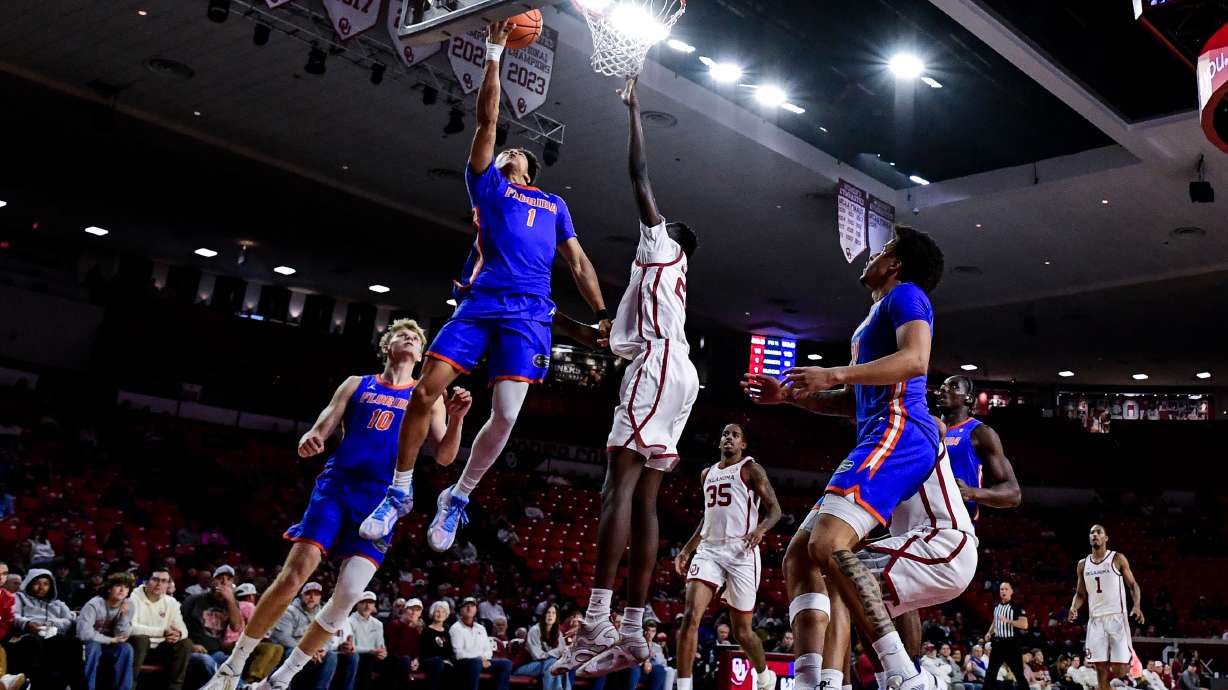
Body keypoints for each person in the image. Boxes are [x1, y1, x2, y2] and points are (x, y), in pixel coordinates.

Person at [367, 17, 611, 553]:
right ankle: (400, 490)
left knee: (506, 413)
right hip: (481, 304)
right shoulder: (488, 188)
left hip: (528, 314)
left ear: (531, 171)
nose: (510, 152)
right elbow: (487, 121)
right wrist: (495, 53)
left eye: (518, 155)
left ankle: (459, 496)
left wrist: (601, 314)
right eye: (504, 153)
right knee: (425, 392)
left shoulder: (553, 205)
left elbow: (579, 263)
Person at [203, 319, 471, 690]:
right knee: (295, 576)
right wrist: (310, 438)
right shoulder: (356, 384)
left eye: (416, 337)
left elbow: (444, 457)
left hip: (382, 501)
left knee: (347, 596)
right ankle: (231, 669)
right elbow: (321, 427)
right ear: (387, 345)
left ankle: (282, 679)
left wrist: (456, 419)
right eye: (402, 334)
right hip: (337, 487)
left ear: (422, 352)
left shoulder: (428, 396)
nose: (409, 337)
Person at [742, 224, 944, 690]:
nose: (873, 255)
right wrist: (789, 398)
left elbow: (916, 360)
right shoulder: (875, 315)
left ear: (894, 263)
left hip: (901, 429)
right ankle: (813, 680)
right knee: (799, 555)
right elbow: (851, 401)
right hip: (875, 432)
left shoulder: (907, 295)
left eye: (885, 249)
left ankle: (902, 674)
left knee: (827, 544)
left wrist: (833, 373)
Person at [553, 75, 700, 681]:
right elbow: (599, 339)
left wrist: (635, 109)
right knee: (643, 496)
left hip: (661, 366)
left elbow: (640, 177)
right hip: (676, 371)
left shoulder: (662, 246)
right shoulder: (657, 289)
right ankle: (635, 629)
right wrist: (539, 310)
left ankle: (596, 620)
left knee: (617, 488)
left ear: (672, 240)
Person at [673, 424, 781, 690]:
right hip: (709, 550)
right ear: (719, 442)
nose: (728, 438)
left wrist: (760, 530)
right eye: (724, 434)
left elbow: (775, 510)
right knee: (690, 616)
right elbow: (707, 519)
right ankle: (683, 685)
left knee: (742, 632)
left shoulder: (751, 469)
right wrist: (687, 549)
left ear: (743, 445)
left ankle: (764, 673)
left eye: (735, 435)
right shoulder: (706, 474)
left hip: (741, 551)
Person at [1067, 525, 1144, 690]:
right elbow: (1080, 594)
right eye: (1091, 532)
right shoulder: (1082, 564)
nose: (1094, 535)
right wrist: (1074, 607)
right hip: (1096, 620)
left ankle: (1131, 657)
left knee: (1119, 670)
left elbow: (1133, 585)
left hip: (1117, 617)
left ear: (1106, 538)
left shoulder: (1117, 558)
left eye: (1098, 532)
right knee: (1100, 672)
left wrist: (1137, 606)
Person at [8, 568, 82, 690]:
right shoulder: (18, 597)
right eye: (37, 583)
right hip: (25, 634)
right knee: (33, 642)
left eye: (46, 584)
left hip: (52, 634)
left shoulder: (58, 603)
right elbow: (13, 615)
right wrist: (28, 623)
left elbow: (69, 620)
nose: (42, 587)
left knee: (74, 643)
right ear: (29, 583)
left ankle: (74, 686)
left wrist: (50, 624)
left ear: (51, 586)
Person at [129, 567, 194, 690]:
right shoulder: (133, 598)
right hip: (137, 648)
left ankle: (174, 688)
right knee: (141, 639)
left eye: (164, 581)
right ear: (145, 581)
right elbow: (130, 628)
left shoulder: (171, 602)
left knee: (186, 643)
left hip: (160, 649)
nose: (159, 584)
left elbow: (183, 629)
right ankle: (130, 686)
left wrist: (177, 635)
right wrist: (162, 632)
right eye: (155, 579)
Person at [77, 572, 136, 690]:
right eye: (118, 586)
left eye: (126, 587)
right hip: (87, 645)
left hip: (109, 646)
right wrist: (110, 639)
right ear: (109, 588)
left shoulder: (129, 605)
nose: (122, 590)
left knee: (126, 648)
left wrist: (124, 616)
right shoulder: (94, 604)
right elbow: (83, 633)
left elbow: (122, 636)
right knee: (94, 646)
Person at [182, 565, 244, 670]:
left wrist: (231, 600)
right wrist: (190, 645)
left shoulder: (232, 604)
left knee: (233, 664)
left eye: (228, 579)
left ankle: (241, 686)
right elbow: (177, 625)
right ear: (212, 581)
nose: (224, 582)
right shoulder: (194, 600)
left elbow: (236, 627)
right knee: (206, 661)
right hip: (193, 650)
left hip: (216, 653)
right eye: (220, 578)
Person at [450, 597, 511, 690]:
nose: (469, 609)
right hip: (463, 663)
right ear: (461, 610)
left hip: (481, 661)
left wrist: (484, 658)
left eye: (472, 606)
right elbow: (459, 654)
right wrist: (480, 659)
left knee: (506, 663)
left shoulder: (481, 628)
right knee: (476, 662)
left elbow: (488, 650)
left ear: (476, 610)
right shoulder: (455, 628)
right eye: (466, 606)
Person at [985, 582, 1028, 690]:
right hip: (998, 644)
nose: (1003, 591)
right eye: (1001, 589)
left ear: (1011, 591)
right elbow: (995, 622)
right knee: (991, 673)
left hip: (1011, 645)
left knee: (1019, 674)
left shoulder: (1016, 607)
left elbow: (1024, 625)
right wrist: (989, 632)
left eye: (1006, 589)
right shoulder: (996, 606)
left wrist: (1008, 621)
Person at [513, 603, 566, 690]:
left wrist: (555, 654)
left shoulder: (558, 633)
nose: (550, 615)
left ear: (557, 617)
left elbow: (563, 651)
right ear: (544, 614)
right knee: (552, 663)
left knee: (561, 666)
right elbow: (537, 656)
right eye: (548, 612)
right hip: (523, 666)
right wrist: (555, 652)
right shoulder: (534, 630)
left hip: (546, 666)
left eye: (553, 613)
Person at [348, 592, 387, 690]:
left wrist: (383, 653)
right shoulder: (349, 621)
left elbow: (380, 645)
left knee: (392, 662)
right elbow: (350, 648)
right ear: (357, 604)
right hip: (354, 656)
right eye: (364, 602)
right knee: (366, 659)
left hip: (373, 657)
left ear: (374, 605)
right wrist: (371, 651)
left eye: (371, 603)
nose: (367, 606)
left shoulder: (378, 624)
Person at [383, 598, 423, 690]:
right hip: (393, 660)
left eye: (417, 610)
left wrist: (415, 660)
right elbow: (392, 648)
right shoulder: (394, 625)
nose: (413, 613)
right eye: (411, 609)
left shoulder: (415, 630)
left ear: (420, 614)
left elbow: (415, 650)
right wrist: (410, 659)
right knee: (405, 659)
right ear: (405, 610)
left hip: (407, 661)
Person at [419, 601, 452, 690]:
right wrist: (442, 657)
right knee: (438, 663)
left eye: (443, 612)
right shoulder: (426, 631)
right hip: (428, 661)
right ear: (432, 613)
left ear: (446, 614)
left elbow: (449, 651)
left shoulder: (447, 632)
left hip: (444, 662)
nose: (440, 614)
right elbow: (426, 651)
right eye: (437, 611)